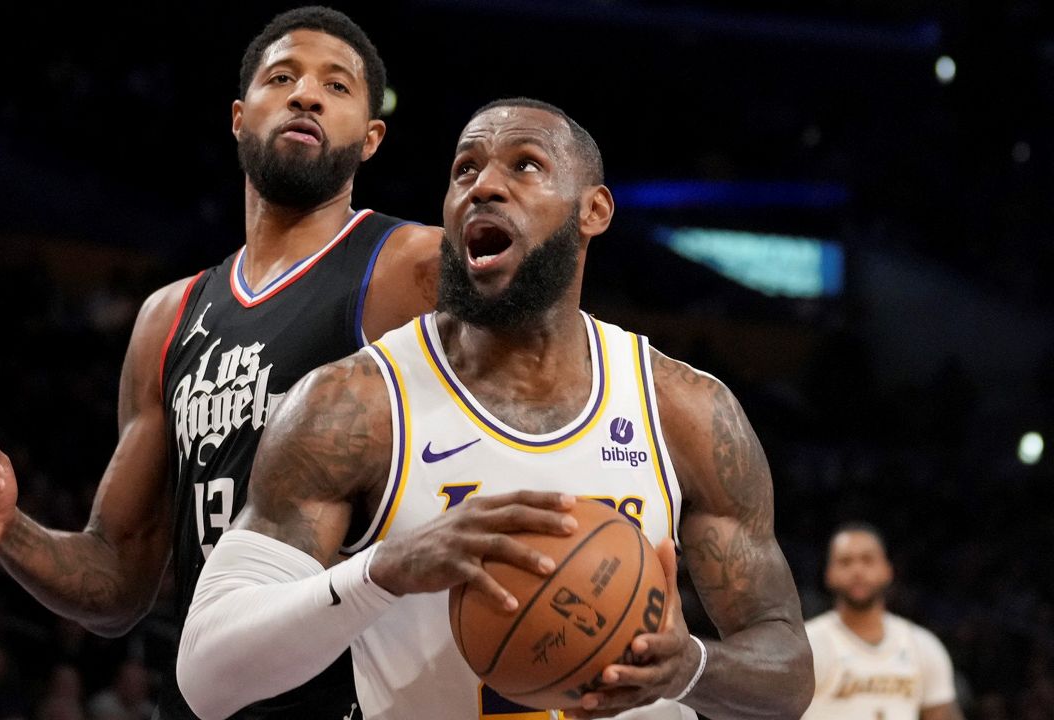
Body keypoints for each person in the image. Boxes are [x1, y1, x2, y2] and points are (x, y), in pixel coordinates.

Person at [176, 98, 813, 720]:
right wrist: (381, 572)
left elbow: (788, 674)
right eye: (464, 170)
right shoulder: (353, 406)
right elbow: (207, 677)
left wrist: (691, 668)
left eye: (525, 165)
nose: (483, 187)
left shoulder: (687, 410)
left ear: (593, 210)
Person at [0, 7, 441, 720]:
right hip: (210, 698)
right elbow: (118, 581)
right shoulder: (168, 318)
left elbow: (548, 379)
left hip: (360, 699)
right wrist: (8, 530)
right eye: (283, 77)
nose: (306, 96)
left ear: (371, 138)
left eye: (337, 86)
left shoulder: (411, 267)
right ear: (239, 116)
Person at [802, 523, 963, 720]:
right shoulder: (807, 644)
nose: (857, 570)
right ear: (829, 574)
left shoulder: (923, 645)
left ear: (887, 570)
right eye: (845, 562)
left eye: (867, 560)